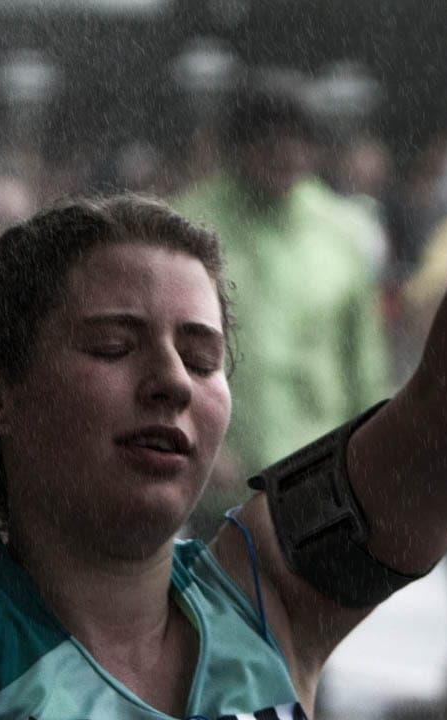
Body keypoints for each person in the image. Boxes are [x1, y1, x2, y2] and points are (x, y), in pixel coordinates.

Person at [0, 2, 447, 719]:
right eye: (113, 345)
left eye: (203, 359)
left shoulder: (271, 600)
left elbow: (443, 411)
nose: (171, 380)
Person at [171, 83, 390, 535]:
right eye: (269, 142)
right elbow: (164, 352)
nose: (285, 155)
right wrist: (189, 438)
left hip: (320, 487)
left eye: (299, 143)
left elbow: (364, 369)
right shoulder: (186, 228)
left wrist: (376, 465)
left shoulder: (342, 234)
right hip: (219, 488)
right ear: (239, 147)